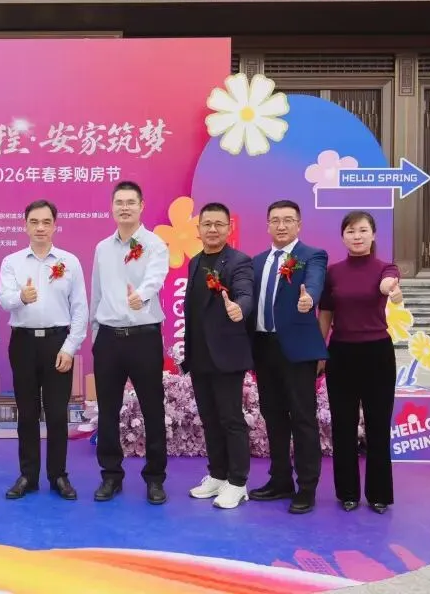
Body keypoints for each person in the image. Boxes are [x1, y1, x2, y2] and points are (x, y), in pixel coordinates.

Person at [0, 199, 87, 501]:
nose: (40, 228)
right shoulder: (12, 262)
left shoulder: (69, 262)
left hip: (57, 343)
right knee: (27, 413)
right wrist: (21, 297)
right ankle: (28, 475)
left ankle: (58, 475)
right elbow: (4, 299)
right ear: (25, 226)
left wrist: (70, 347)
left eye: (46, 222)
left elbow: (80, 309)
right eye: (34, 222)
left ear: (55, 226)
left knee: (58, 414)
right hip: (23, 343)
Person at [90, 181, 170, 504]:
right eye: (119, 202)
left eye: (130, 202)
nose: (124, 208)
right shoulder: (102, 248)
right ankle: (111, 475)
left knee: (153, 409)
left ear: (141, 206)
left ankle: (155, 478)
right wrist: (96, 334)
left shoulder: (155, 244)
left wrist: (141, 296)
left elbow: (156, 277)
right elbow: (96, 292)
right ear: (112, 207)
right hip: (108, 339)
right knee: (108, 410)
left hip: (143, 337)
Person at [248, 199, 328, 514]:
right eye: (275, 220)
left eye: (288, 220)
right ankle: (280, 479)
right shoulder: (256, 262)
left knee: (303, 418)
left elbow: (315, 283)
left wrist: (310, 299)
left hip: (296, 350)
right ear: (268, 225)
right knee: (274, 416)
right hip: (263, 348)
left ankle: (307, 487)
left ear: (299, 224)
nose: (281, 226)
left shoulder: (311, 256)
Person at [318, 211, 401, 515]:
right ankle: (348, 493)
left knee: (378, 425)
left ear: (373, 234)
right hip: (341, 353)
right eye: (351, 231)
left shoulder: (385, 268)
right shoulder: (333, 273)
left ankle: (379, 494)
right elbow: (326, 313)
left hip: (377, 354)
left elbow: (389, 284)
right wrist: (319, 351)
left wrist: (391, 290)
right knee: (343, 425)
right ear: (343, 237)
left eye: (363, 230)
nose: (357, 236)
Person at [180, 203, 255, 510]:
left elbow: (245, 292)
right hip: (199, 356)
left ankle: (238, 483)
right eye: (207, 224)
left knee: (230, 419)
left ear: (229, 228)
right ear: (198, 229)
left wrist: (240, 308)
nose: (212, 229)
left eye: (218, 224)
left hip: (226, 356)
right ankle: (218, 474)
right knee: (209, 419)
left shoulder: (239, 261)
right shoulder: (195, 262)